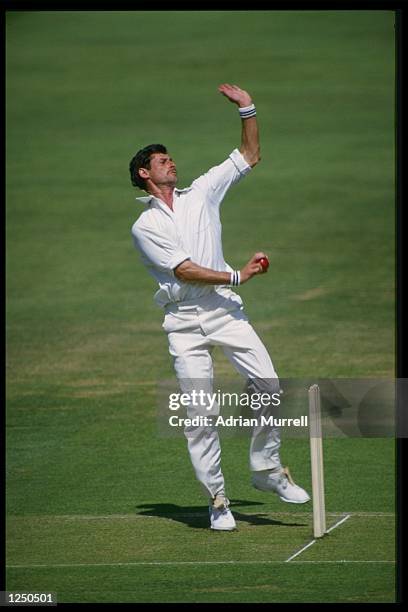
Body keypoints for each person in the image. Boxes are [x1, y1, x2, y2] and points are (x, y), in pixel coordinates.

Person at [129, 83, 310, 531]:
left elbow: (249, 156)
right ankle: (218, 502)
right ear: (144, 175)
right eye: (161, 160)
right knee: (200, 416)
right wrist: (238, 275)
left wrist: (247, 107)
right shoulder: (145, 225)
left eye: (170, 158)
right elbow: (185, 270)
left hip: (224, 311)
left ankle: (267, 469)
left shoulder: (202, 192)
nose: (171, 162)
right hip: (185, 324)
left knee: (269, 385)